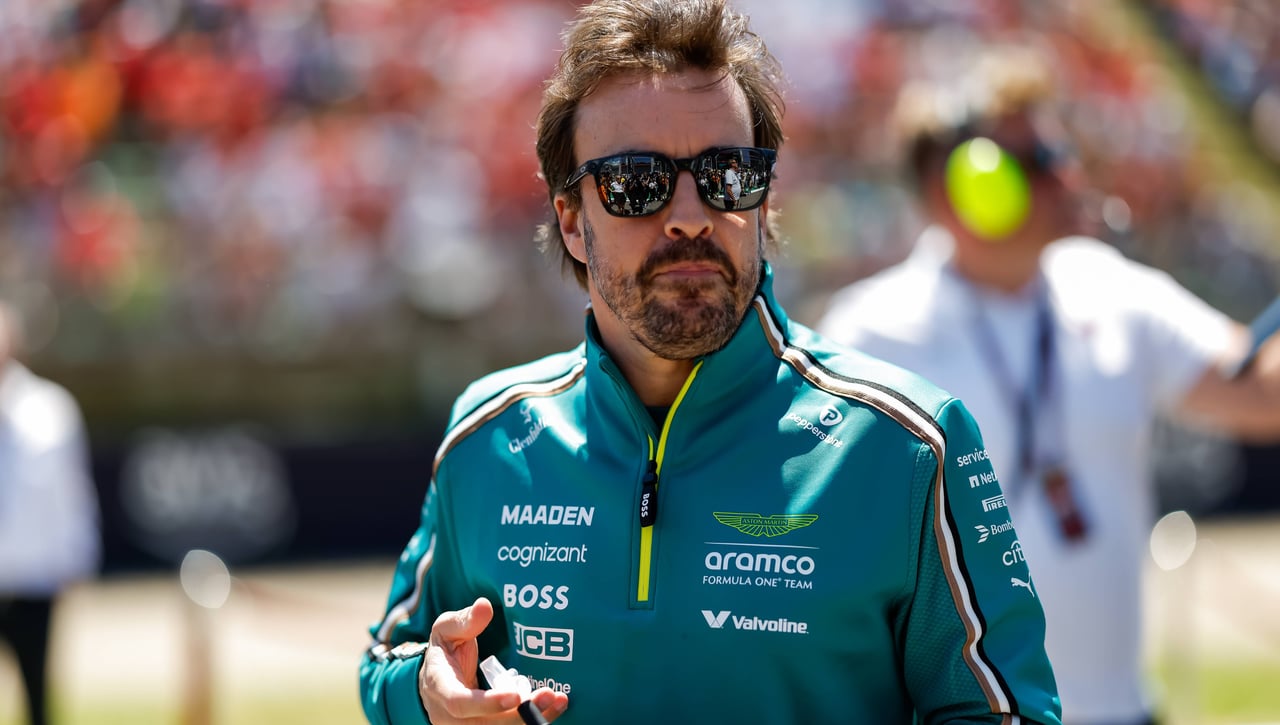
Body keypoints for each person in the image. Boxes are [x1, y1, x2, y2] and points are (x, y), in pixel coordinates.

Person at [359, 2, 1061, 723]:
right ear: (571, 220)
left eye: (729, 174)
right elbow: (388, 663)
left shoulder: (910, 444)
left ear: (764, 201)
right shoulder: (486, 438)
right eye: (637, 181)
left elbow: (1008, 711)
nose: (692, 216)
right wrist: (425, 694)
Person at [815, 44, 1280, 725]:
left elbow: (1261, 393)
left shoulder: (1109, 286)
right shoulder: (871, 331)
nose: (1068, 173)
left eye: (1062, 152)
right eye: (1039, 159)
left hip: (1121, 710)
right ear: (961, 186)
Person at [0, 301, 102, 725]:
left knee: (37, 699)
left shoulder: (49, 408)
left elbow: (73, 492)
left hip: (32, 581)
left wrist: (79, 557)